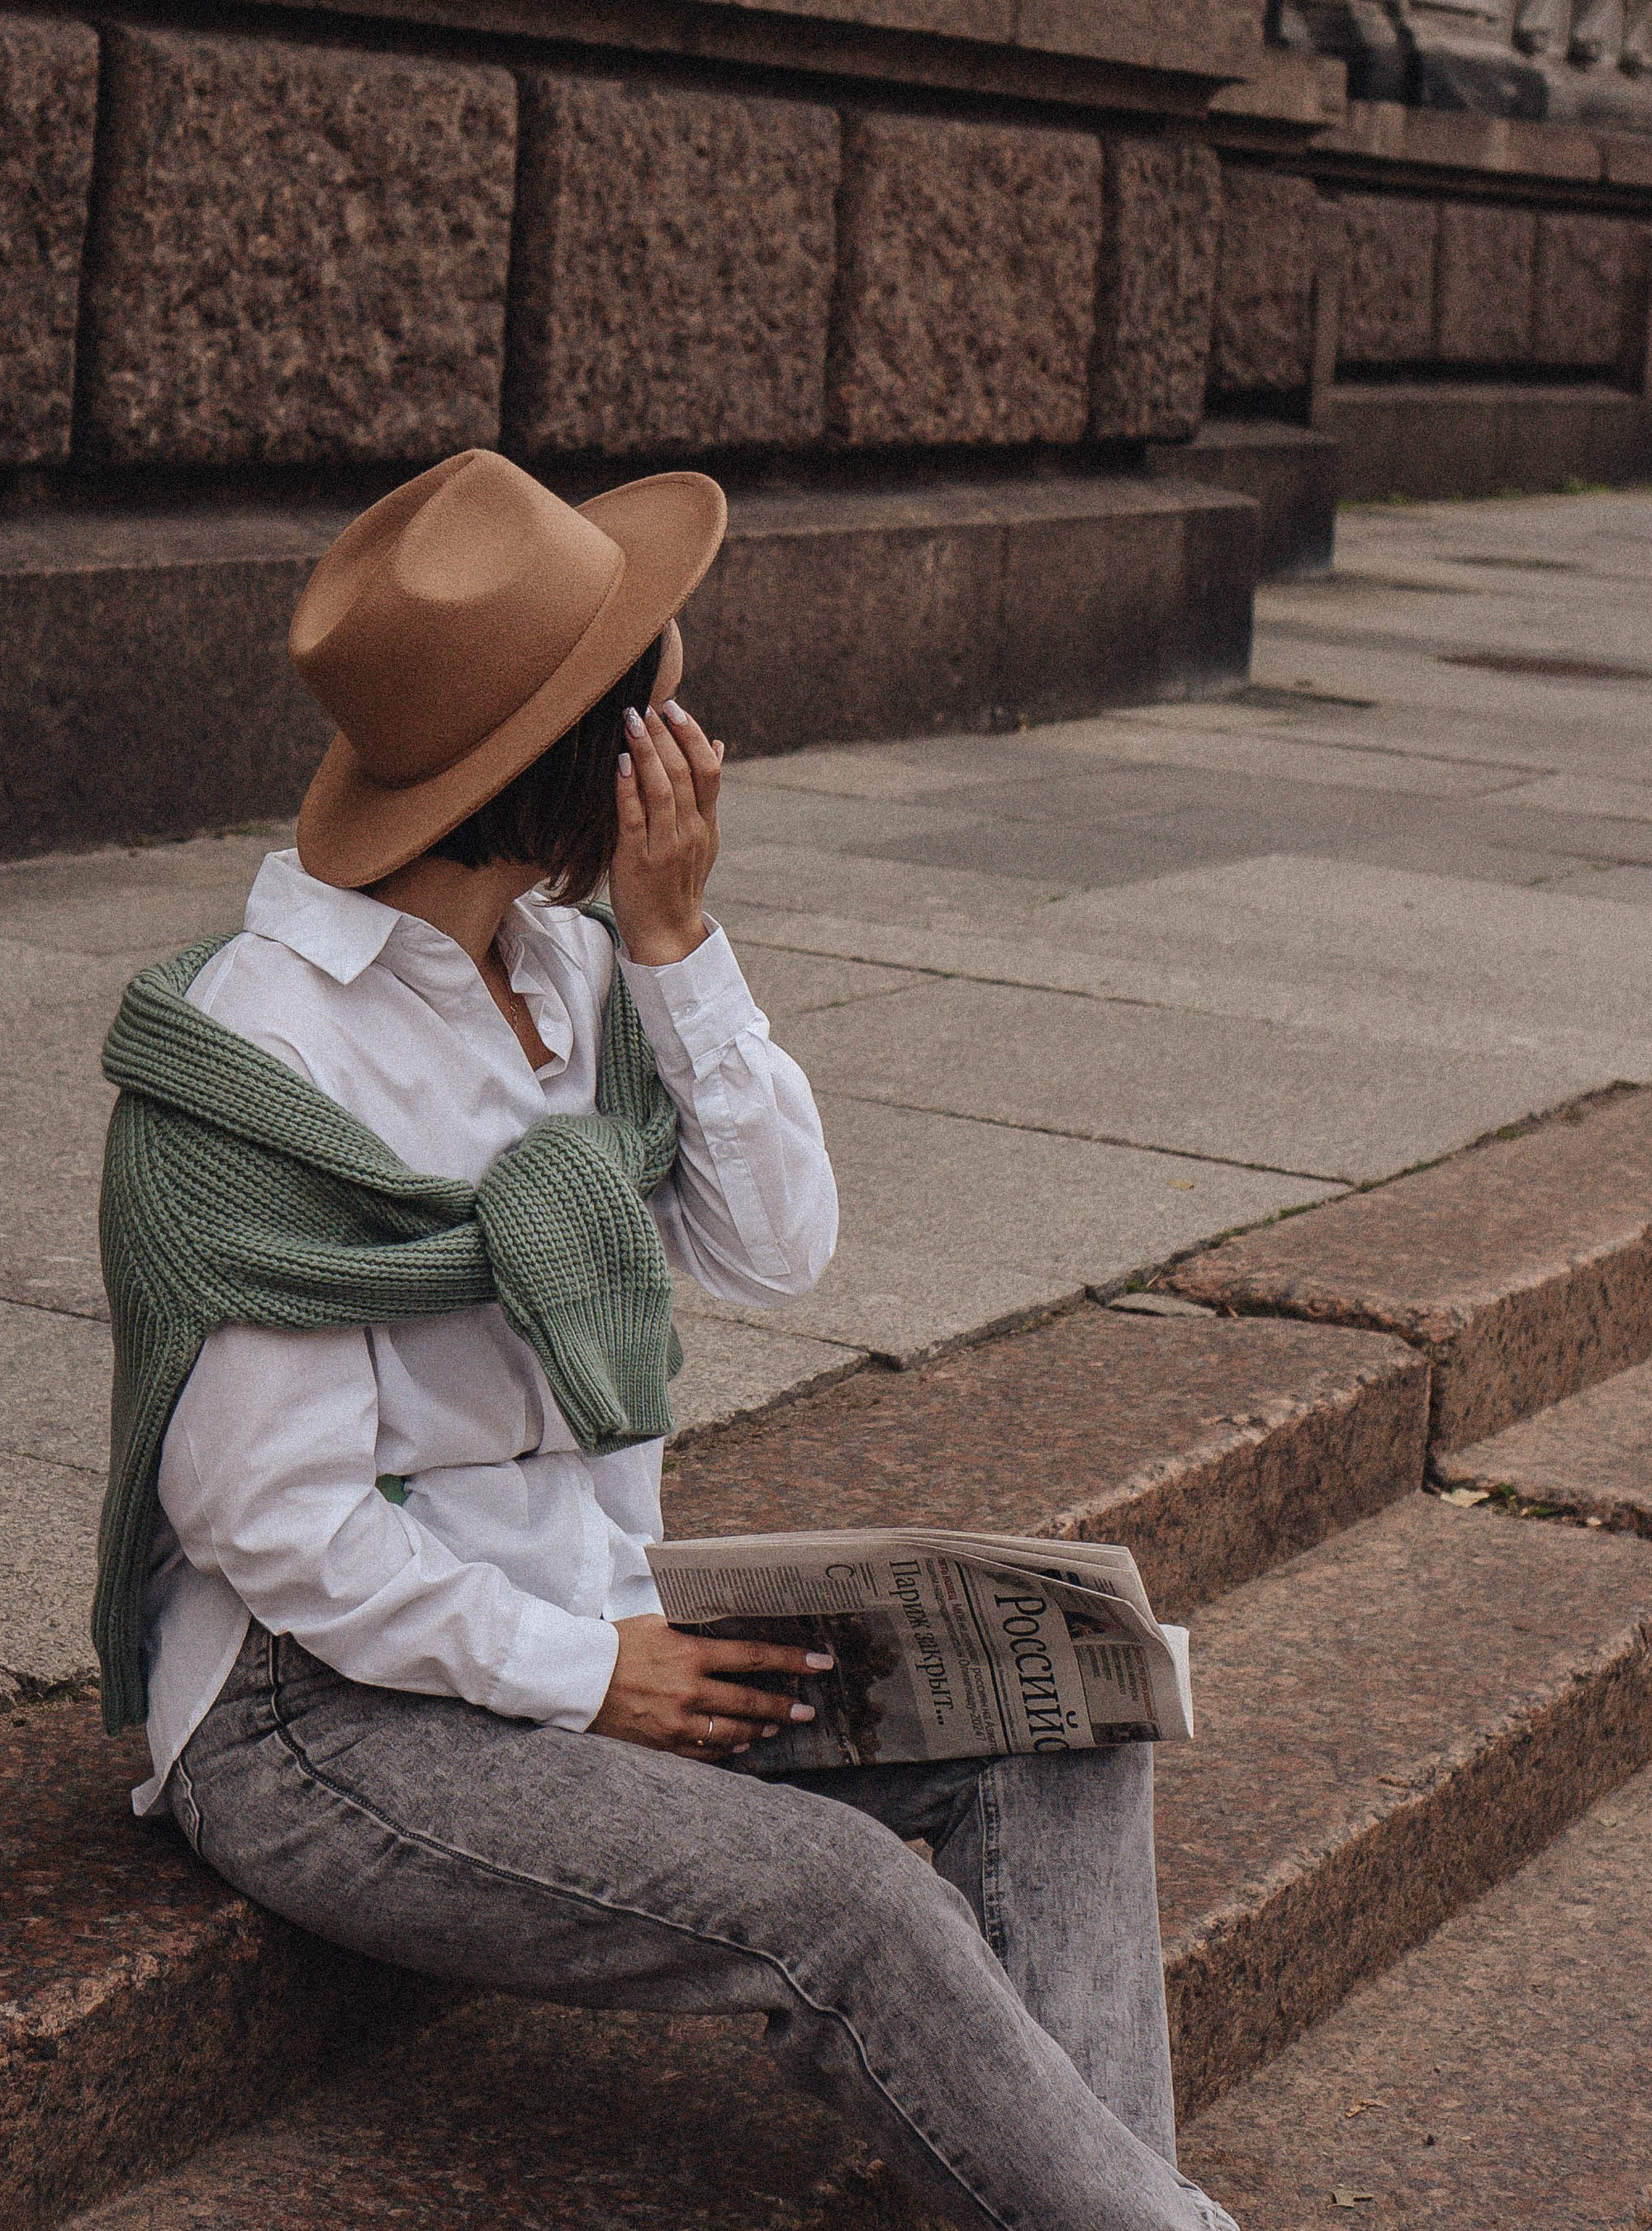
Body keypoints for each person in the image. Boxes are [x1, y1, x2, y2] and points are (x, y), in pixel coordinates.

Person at [92, 449, 1240, 2231]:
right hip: (326, 1724)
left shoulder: (569, 976)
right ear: (571, 757)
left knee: (1063, 1734)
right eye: (650, 702)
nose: (684, 732)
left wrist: (675, 943)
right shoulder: (264, 1060)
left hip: (585, 1617)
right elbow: (272, 1522)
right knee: (845, 1899)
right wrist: (585, 1679)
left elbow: (777, 1249)